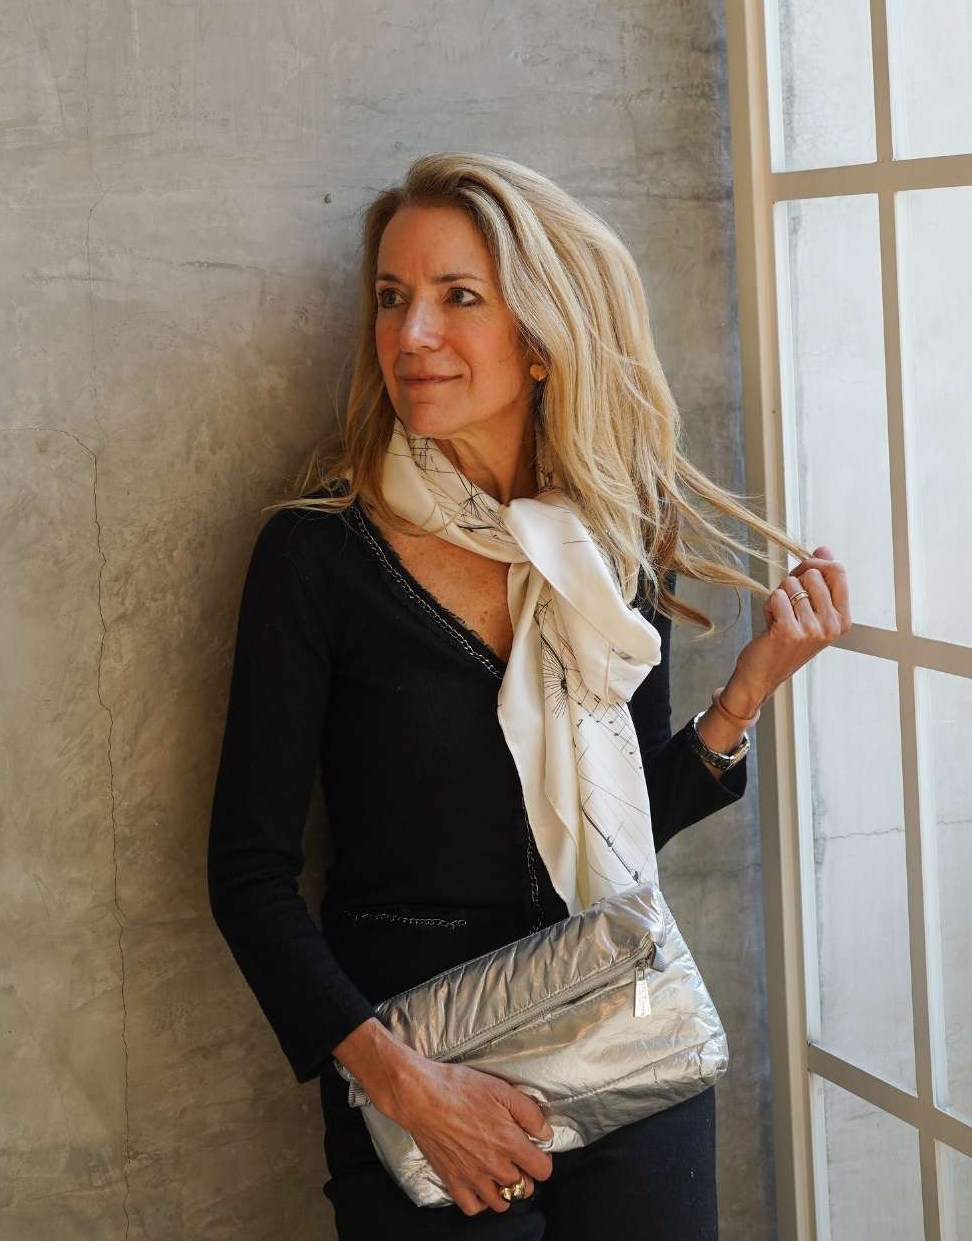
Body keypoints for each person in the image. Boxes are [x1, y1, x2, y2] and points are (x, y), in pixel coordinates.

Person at [206, 152, 851, 1240]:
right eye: (392, 297)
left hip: (621, 1024)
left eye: (458, 296)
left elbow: (617, 823)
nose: (412, 334)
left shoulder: (612, 540)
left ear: (542, 338)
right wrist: (404, 1086)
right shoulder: (317, 553)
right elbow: (247, 876)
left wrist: (743, 695)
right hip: (422, 1058)